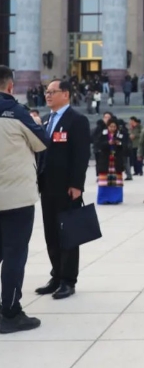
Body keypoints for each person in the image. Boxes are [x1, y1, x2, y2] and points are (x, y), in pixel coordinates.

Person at [0, 66, 49, 333]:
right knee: (14, 254)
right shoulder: (15, 111)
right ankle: (10, 312)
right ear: (10, 86)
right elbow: (42, 142)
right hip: (15, 199)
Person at [36, 79, 91, 300]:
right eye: (46, 91)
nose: (48, 95)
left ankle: (68, 280)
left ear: (66, 94)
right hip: (47, 186)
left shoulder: (77, 120)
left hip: (67, 188)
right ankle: (56, 275)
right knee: (51, 233)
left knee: (68, 234)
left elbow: (81, 155)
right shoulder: (46, 120)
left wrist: (77, 185)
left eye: (53, 91)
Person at [95, 118, 125, 204]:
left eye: (114, 126)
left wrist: (119, 143)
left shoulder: (120, 134)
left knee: (116, 181)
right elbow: (98, 144)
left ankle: (115, 199)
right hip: (105, 160)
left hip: (116, 160)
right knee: (104, 180)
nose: (112, 128)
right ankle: (104, 199)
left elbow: (126, 145)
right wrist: (108, 143)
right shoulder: (103, 134)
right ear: (107, 126)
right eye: (111, 126)